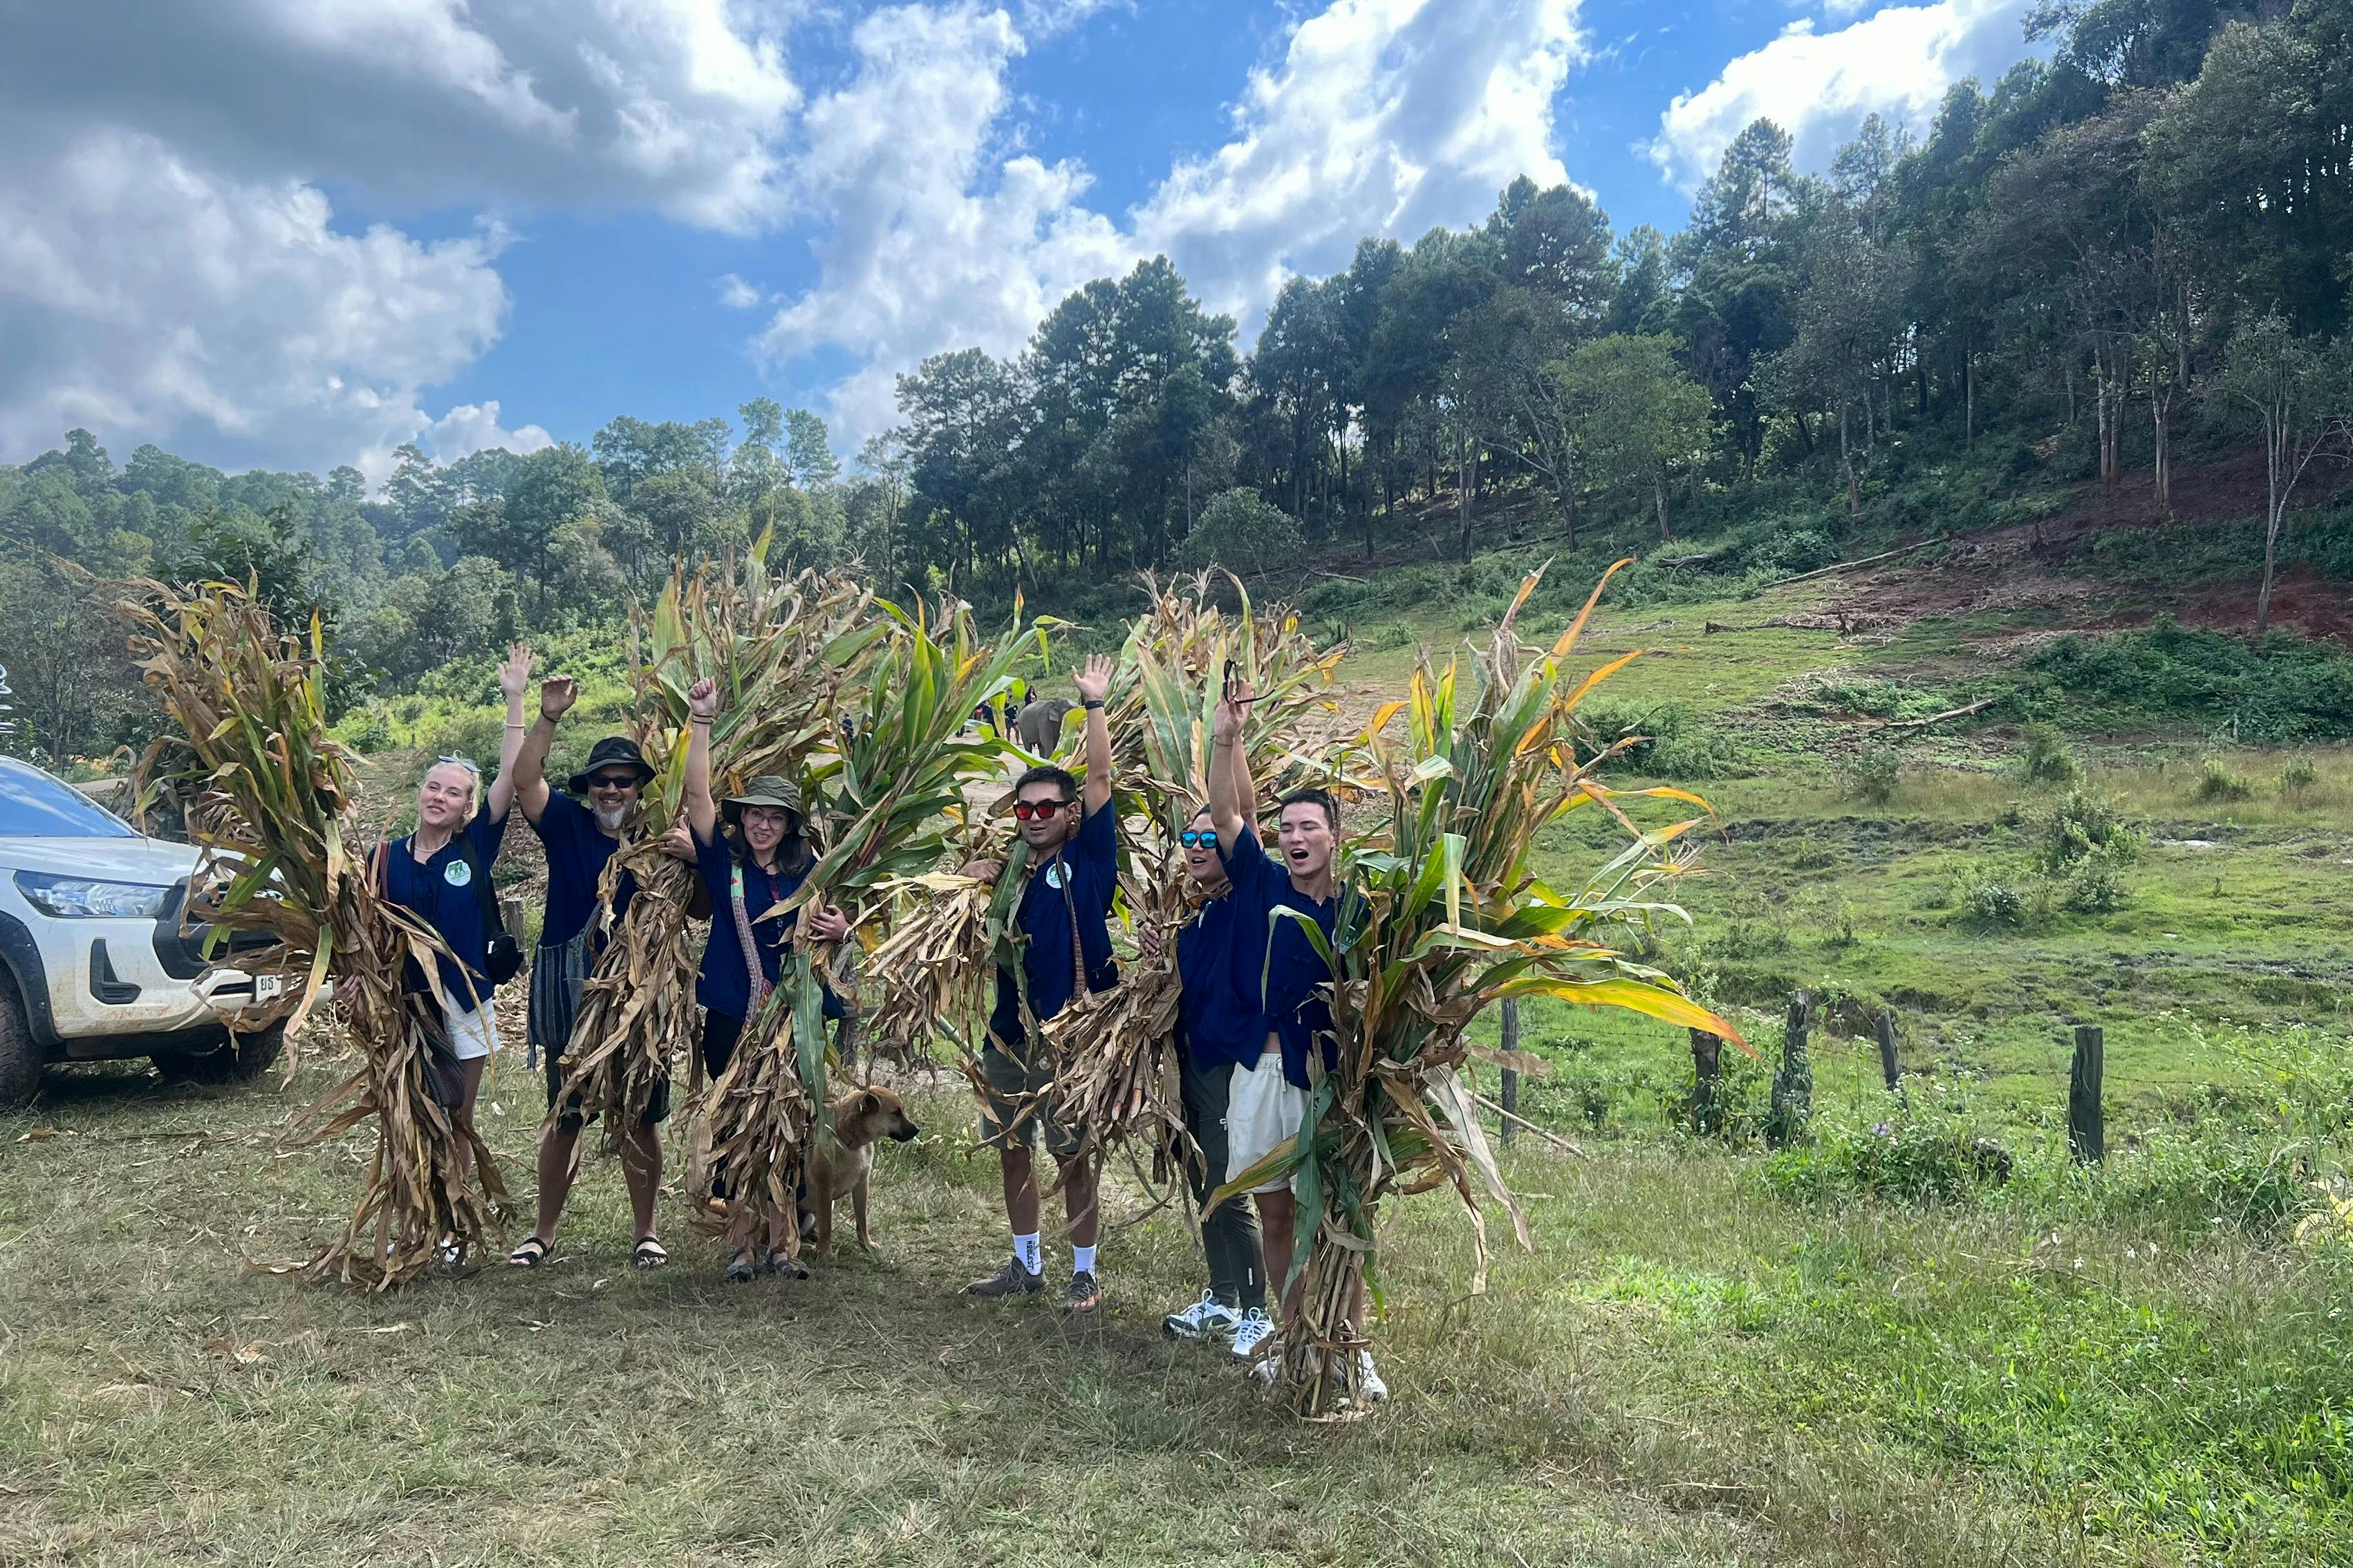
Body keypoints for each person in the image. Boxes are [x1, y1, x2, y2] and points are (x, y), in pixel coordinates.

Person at [1207, 676, 1384, 1399]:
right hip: (1264, 1077)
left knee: (1342, 1217)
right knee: (1276, 1211)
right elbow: (1227, 814)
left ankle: (1350, 1349)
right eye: (1287, 828)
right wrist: (1226, 739)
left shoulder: (1359, 909)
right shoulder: (1261, 884)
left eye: (1310, 827)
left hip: (1333, 1086)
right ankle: (1289, 1344)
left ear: (1335, 838)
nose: (1295, 836)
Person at [502, 654, 694, 1271]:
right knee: (566, 1114)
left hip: (640, 992)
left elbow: (705, 891)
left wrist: (693, 853)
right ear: (589, 790)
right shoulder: (566, 824)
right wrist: (547, 716)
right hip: (570, 986)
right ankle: (543, 1233)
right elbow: (527, 779)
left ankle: (645, 1232)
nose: (612, 791)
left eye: (624, 782)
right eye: (602, 782)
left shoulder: (664, 839)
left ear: (640, 789)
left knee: (640, 1112)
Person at [960, 653, 1118, 1311]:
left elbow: (1104, 779)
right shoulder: (1007, 875)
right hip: (1008, 1032)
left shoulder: (1089, 858)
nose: (1034, 817)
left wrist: (1094, 706)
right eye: (1023, 811)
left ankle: (1084, 1273)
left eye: (1046, 807)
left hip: (1073, 1032)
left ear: (1068, 811)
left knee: (1073, 1154)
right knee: (1010, 1148)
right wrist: (967, 883)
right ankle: (1026, 1263)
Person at [681, 677, 850, 1282]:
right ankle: (741, 1245)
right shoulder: (722, 862)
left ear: (789, 826)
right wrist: (701, 720)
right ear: (742, 819)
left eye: (774, 817)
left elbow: (847, 918)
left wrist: (841, 927)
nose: (761, 825)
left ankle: (784, 1244)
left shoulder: (811, 872)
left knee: (792, 1126)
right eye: (753, 814)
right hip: (732, 1014)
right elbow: (696, 795)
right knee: (733, 1128)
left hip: (794, 1023)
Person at [378, 647, 530, 1194]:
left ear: (468, 805)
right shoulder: (384, 857)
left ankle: (452, 1216)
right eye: (433, 786)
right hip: (403, 1003)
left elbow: (511, 779)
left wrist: (514, 699)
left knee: (458, 1114)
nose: (440, 796)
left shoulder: (474, 846)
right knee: (406, 1113)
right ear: (420, 794)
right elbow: (366, 933)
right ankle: (411, 1211)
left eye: (454, 791)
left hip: (466, 1001)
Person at [1153, 797, 1270, 1353]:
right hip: (1192, 1066)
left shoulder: (1248, 900)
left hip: (1229, 1069)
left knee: (1230, 1188)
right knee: (1203, 1182)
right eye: (1189, 838)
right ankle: (1222, 1300)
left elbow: (1239, 810)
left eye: (1210, 839)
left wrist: (1230, 741)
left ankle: (1257, 1314)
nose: (1197, 848)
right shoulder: (1198, 913)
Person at [1015, 686, 1064, 756]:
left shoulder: (1050, 715)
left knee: (1042, 750)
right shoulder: (1028, 698)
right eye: (1031, 689)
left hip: (1037, 710)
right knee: (1029, 753)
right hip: (1028, 716)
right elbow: (1047, 742)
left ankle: (1045, 764)